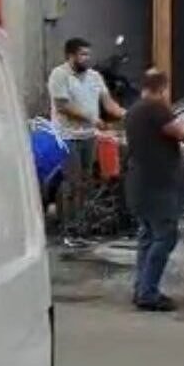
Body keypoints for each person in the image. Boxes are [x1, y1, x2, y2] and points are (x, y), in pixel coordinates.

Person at [124, 69, 184, 312]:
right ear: (163, 88)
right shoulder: (156, 108)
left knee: (147, 235)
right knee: (165, 236)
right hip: (157, 184)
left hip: (138, 182)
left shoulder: (134, 110)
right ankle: (148, 293)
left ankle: (141, 288)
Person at [48, 37, 125, 245]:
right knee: (72, 183)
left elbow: (108, 103)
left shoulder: (94, 77)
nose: (86, 58)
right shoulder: (59, 75)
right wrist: (92, 119)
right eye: (82, 54)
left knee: (86, 182)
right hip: (66, 137)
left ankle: (81, 228)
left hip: (88, 135)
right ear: (70, 56)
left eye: (88, 54)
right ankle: (68, 231)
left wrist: (127, 114)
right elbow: (63, 106)